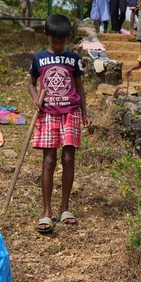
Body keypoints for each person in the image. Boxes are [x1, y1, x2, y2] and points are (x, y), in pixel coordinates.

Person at [28, 14, 90, 233]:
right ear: (46, 36)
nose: (57, 45)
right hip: (47, 115)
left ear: (67, 38)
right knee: (48, 160)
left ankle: (64, 208)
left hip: (70, 113)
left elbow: (79, 87)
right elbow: (31, 84)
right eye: (54, 41)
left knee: (68, 157)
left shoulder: (73, 59)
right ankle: (46, 212)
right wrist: (35, 98)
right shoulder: (39, 58)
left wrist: (84, 112)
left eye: (62, 42)